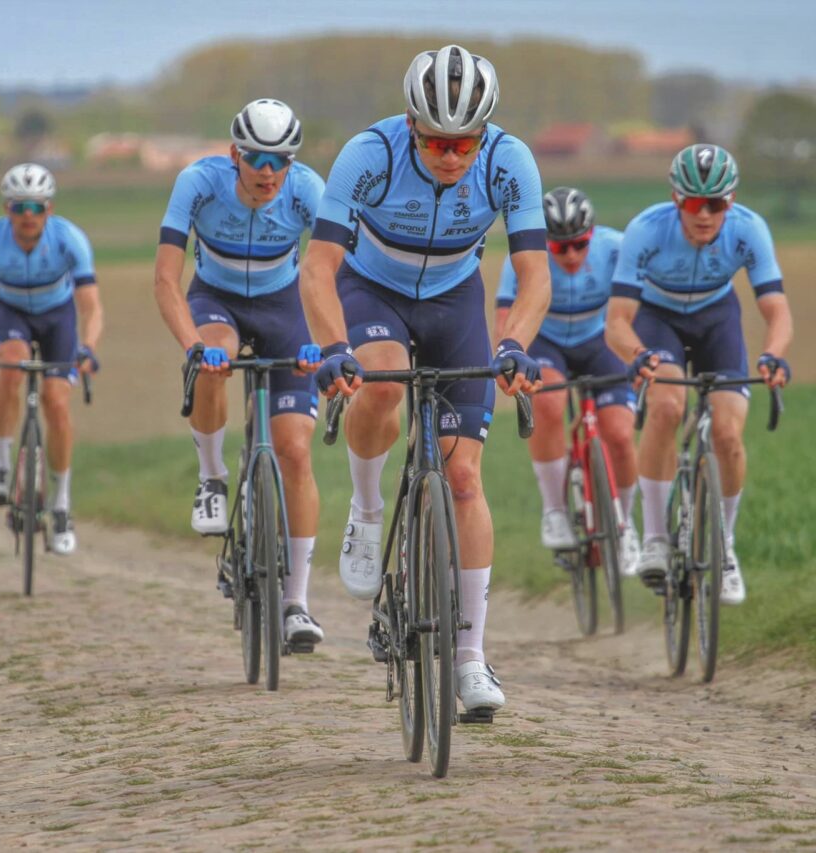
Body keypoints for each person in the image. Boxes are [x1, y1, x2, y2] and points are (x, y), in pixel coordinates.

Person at [300, 45, 549, 714]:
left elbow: (534, 275)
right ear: (411, 124)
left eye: (464, 142)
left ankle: (470, 657)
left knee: (464, 477)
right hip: (371, 290)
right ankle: (367, 507)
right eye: (437, 140)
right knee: (382, 382)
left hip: (455, 298)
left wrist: (517, 342)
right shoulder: (368, 154)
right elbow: (319, 265)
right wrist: (331, 345)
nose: (451, 155)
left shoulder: (508, 160)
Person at [153, 99, 327, 646]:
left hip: (285, 307)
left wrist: (327, 344)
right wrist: (191, 346)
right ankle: (212, 476)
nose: (269, 172)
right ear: (234, 154)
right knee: (213, 361)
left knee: (295, 450)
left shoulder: (307, 190)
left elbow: (338, 274)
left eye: (281, 159)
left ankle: (297, 601)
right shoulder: (198, 183)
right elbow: (165, 278)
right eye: (256, 158)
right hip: (216, 301)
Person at [605, 144, 791, 605]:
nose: (704, 214)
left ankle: (724, 546)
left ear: (731, 201)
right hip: (658, 318)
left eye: (716, 204)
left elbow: (777, 309)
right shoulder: (646, 230)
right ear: (675, 198)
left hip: (716, 318)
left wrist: (772, 354)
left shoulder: (749, 229)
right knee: (667, 406)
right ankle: (655, 538)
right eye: (693, 203)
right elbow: (617, 321)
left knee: (728, 435)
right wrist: (638, 354)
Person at [495, 187, 640, 574]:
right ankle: (555, 510)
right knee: (548, 403)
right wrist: (509, 358)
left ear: (592, 235)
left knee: (621, 435)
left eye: (579, 245)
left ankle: (625, 524)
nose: (571, 255)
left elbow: (638, 308)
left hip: (600, 340)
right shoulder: (526, 257)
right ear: (546, 243)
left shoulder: (616, 248)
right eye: (560, 248)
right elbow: (506, 315)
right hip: (548, 341)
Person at [0, 163, 103, 556]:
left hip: (58, 317)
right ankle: (2, 463)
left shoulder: (70, 239)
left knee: (56, 403)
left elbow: (91, 307)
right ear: (7, 209)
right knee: (9, 363)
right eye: (20, 207)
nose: (28, 216)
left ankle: (60, 504)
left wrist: (88, 348)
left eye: (36, 207)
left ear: (49, 209)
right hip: (10, 312)